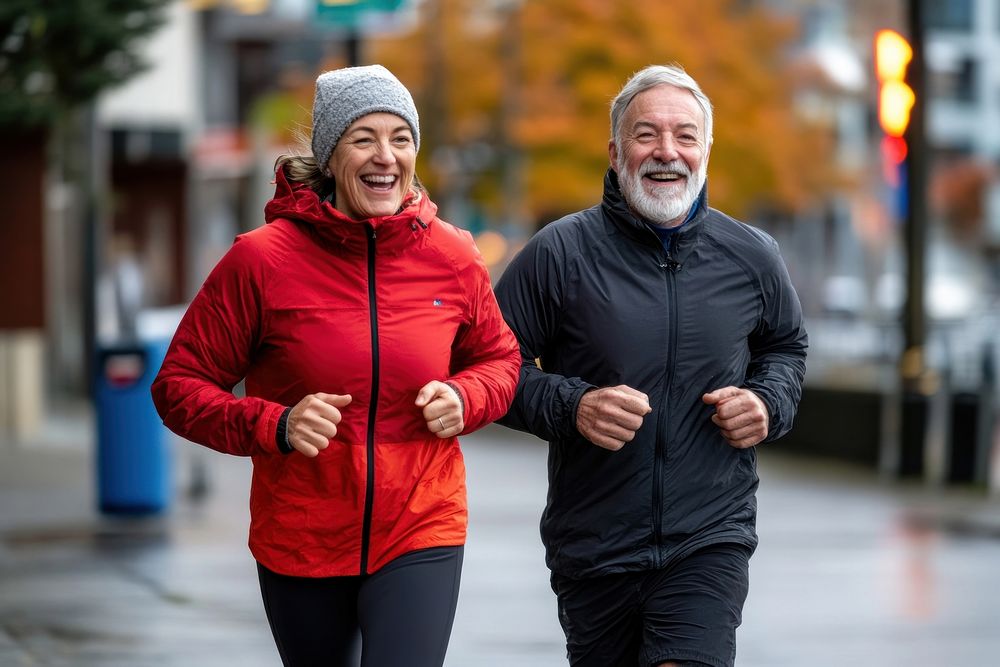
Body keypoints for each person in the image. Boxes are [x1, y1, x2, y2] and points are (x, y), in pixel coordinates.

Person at [151, 64, 521, 667]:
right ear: (329, 155)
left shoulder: (452, 255)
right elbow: (178, 387)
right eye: (363, 137)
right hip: (303, 533)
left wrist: (467, 396)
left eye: (401, 138)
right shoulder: (261, 261)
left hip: (421, 523)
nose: (386, 155)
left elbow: (500, 359)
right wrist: (275, 425)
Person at [494, 64, 808, 667]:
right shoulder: (558, 253)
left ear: (706, 151)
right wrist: (573, 405)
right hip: (595, 548)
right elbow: (490, 368)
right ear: (615, 152)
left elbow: (786, 350)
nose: (667, 151)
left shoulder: (752, 256)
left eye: (685, 136)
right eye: (647, 134)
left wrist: (768, 402)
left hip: (710, 537)